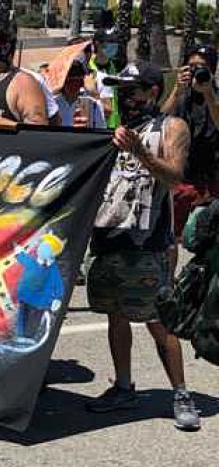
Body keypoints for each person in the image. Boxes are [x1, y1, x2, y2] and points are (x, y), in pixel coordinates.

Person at [86, 61, 199, 431]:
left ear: (152, 91)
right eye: (120, 90)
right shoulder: (114, 130)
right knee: (115, 315)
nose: (125, 97)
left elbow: (175, 175)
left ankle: (181, 393)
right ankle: (123, 386)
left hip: (148, 241)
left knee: (158, 321)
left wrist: (141, 154)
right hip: (109, 237)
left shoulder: (172, 127)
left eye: (132, 90)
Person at [161, 45, 219, 241]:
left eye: (202, 67)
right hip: (183, 180)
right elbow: (159, 122)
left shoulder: (215, 97)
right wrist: (177, 90)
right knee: (172, 238)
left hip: (213, 181)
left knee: (210, 239)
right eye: (191, 66)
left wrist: (209, 93)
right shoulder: (181, 96)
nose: (197, 71)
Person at [55, 60, 107, 129]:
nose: (74, 84)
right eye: (70, 79)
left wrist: (94, 93)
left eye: (78, 79)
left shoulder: (93, 105)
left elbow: (101, 129)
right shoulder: (53, 104)